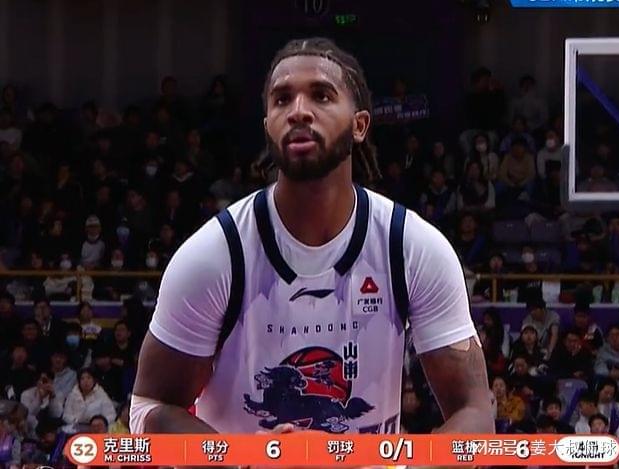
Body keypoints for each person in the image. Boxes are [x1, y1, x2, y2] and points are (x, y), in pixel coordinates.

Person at [131, 37, 492, 435]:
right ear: (267, 126)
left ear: (359, 125)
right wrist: (245, 460)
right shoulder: (213, 254)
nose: (298, 111)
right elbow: (149, 406)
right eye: (282, 99)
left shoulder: (412, 247)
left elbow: (474, 412)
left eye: (321, 95)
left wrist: (400, 463)